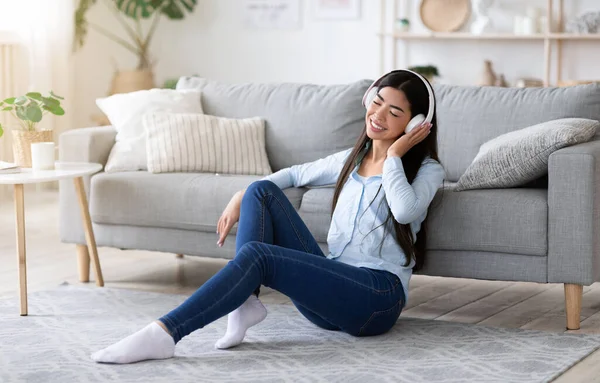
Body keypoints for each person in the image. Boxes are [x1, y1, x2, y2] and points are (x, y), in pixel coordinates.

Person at [90, 69, 446, 364]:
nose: (379, 116)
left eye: (394, 113)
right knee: (261, 190)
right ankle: (246, 302)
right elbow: (290, 175)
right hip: (328, 299)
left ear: (415, 124)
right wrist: (240, 194)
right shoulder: (350, 160)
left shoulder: (427, 171)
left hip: (375, 301)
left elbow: (404, 210)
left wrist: (395, 156)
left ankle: (164, 333)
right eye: (377, 103)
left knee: (259, 256)